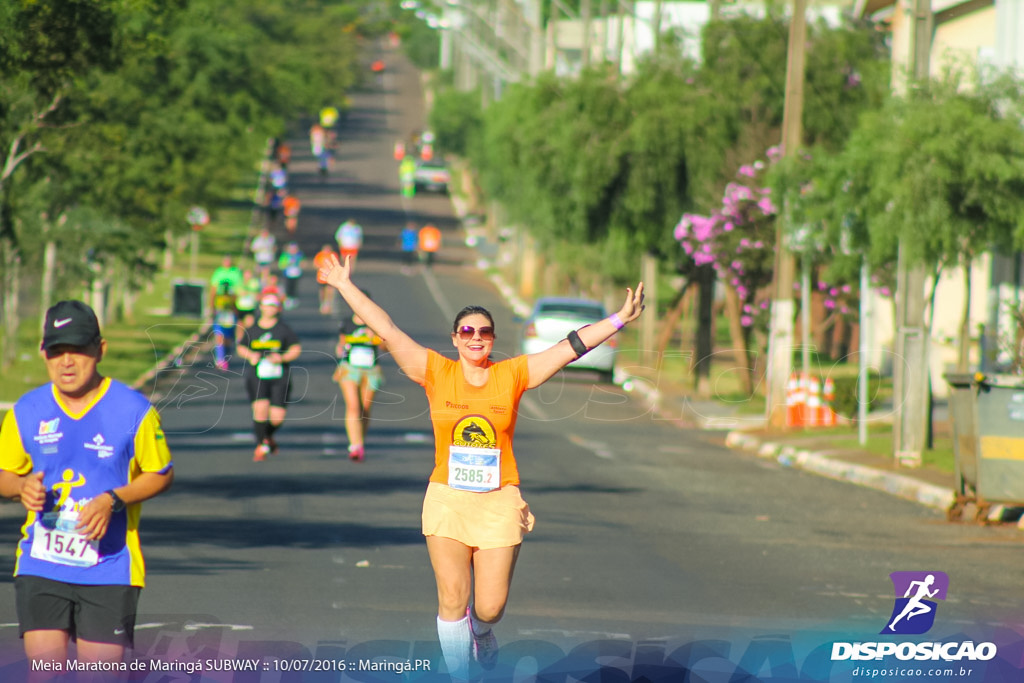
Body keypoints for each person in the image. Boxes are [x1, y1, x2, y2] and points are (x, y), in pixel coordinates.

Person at [318, 253, 644, 680]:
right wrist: (344, 285)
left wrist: (619, 318)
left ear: (492, 339)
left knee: (489, 607)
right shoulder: (435, 371)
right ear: (454, 338)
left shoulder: (512, 374)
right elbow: (387, 328)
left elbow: (569, 347)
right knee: (452, 597)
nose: (476, 338)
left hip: (498, 501)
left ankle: (480, 631)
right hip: (448, 500)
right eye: (467, 331)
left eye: (484, 332)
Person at [0, 300, 174, 674]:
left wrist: (114, 498)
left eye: (78, 350)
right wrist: (21, 486)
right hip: (41, 563)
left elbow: (160, 473)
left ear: (100, 349)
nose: (67, 361)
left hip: (109, 566)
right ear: (43, 353)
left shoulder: (133, 410)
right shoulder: (26, 411)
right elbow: (4, 473)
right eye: (57, 351)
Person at [236, 291, 302, 462]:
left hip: (279, 375)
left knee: (277, 416)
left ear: (278, 308)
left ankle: (267, 436)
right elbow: (241, 347)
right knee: (260, 409)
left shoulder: (283, 329)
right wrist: (251, 355)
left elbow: (295, 349)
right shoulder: (253, 329)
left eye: (273, 305)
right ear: (261, 307)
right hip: (257, 375)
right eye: (266, 305)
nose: (269, 309)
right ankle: (260, 445)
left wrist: (282, 357)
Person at [333, 303, 386, 462]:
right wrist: (342, 347)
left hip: (371, 370)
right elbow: (340, 345)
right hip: (350, 368)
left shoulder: (376, 324)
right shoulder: (347, 323)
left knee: (365, 408)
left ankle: (359, 441)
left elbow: (386, 347)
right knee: (353, 406)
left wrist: (375, 338)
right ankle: (355, 445)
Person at [277, 242, 305, 310]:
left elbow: (302, 263)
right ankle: (288, 300)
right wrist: (288, 264)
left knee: (294, 287)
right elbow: (281, 264)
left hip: (296, 274)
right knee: (288, 287)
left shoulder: (299, 255)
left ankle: (294, 299)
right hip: (288, 274)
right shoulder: (285, 255)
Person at [313, 244, 338, 315]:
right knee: (322, 291)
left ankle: (329, 304)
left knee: (330, 290)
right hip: (321, 276)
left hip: (330, 275)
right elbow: (315, 264)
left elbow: (336, 264)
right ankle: (323, 303)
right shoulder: (319, 255)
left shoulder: (333, 255)